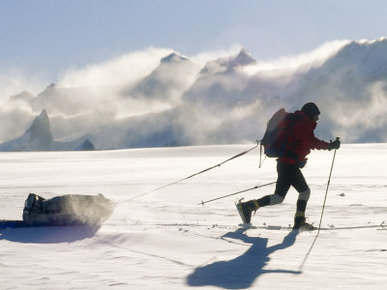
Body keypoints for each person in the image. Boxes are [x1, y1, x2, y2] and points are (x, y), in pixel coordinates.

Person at [238, 102, 341, 230]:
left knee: (278, 197)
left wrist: (300, 158)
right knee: (304, 192)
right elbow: (311, 142)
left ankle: (248, 206)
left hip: (285, 164)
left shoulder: (299, 121)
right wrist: (330, 146)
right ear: (310, 114)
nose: (317, 119)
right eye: (316, 115)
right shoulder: (303, 125)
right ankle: (299, 222)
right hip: (289, 166)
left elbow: (300, 144)